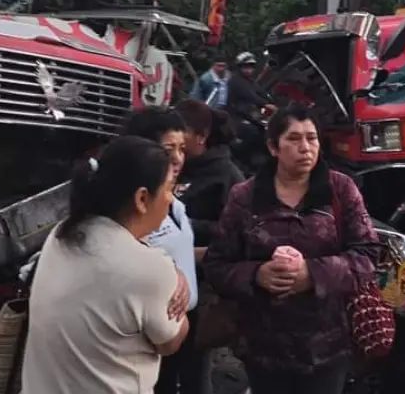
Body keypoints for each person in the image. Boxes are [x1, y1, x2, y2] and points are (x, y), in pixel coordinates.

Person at [203, 103, 382, 394]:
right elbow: (217, 264)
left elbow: (367, 256)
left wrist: (312, 274)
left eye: (311, 138)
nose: (305, 147)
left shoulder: (341, 190)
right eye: (294, 139)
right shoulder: (245, 196)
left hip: (327, 348)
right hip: (263, 349)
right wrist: (257, 275)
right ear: (274, 147)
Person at [20, 135, 189, 394]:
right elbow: (169, 343)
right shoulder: (149, 268)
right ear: (142, 199)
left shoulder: (63, 233)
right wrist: (180, 289)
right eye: (169, 188)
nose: (171, 199)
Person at [121, 107, 208, 394]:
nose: (177, 158)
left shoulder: (175, 204)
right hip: (153, 332)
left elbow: (174, 252)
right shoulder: (134, 209)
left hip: (186, 323)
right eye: (167, 149)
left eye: (182, 148)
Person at [174, 98, 245, 249]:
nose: (174, 137)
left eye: (181, 131)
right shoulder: (166, 165)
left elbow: (236, 231)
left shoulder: (228, 178)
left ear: (202, 136)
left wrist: (183, 223)